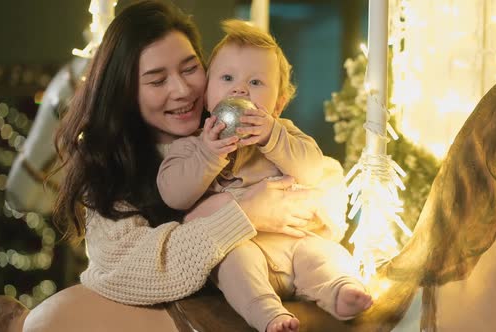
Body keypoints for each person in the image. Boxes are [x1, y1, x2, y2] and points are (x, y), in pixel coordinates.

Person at [50, 0, 318, 317]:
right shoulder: (111, 167)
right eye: (157, 79)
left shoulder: (249, 132)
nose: (182, 90)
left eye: (190, 68)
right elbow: (128, 266)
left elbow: (319, 179)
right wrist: (245, 214)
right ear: (125, 91)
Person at [156, 20, 373, 332]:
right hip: (238, 247)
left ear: (279, 104)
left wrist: (273, 137)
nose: (240, 89)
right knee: (232, 265)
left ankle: (341, 290)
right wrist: (208, 153)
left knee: (325, 254)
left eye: (256, 83)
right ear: (205, 96)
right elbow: (173, 195)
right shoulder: (190, 147)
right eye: (227, 78)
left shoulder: (286, 135)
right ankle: (269, 315)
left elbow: (315, 170)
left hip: (293, 245)